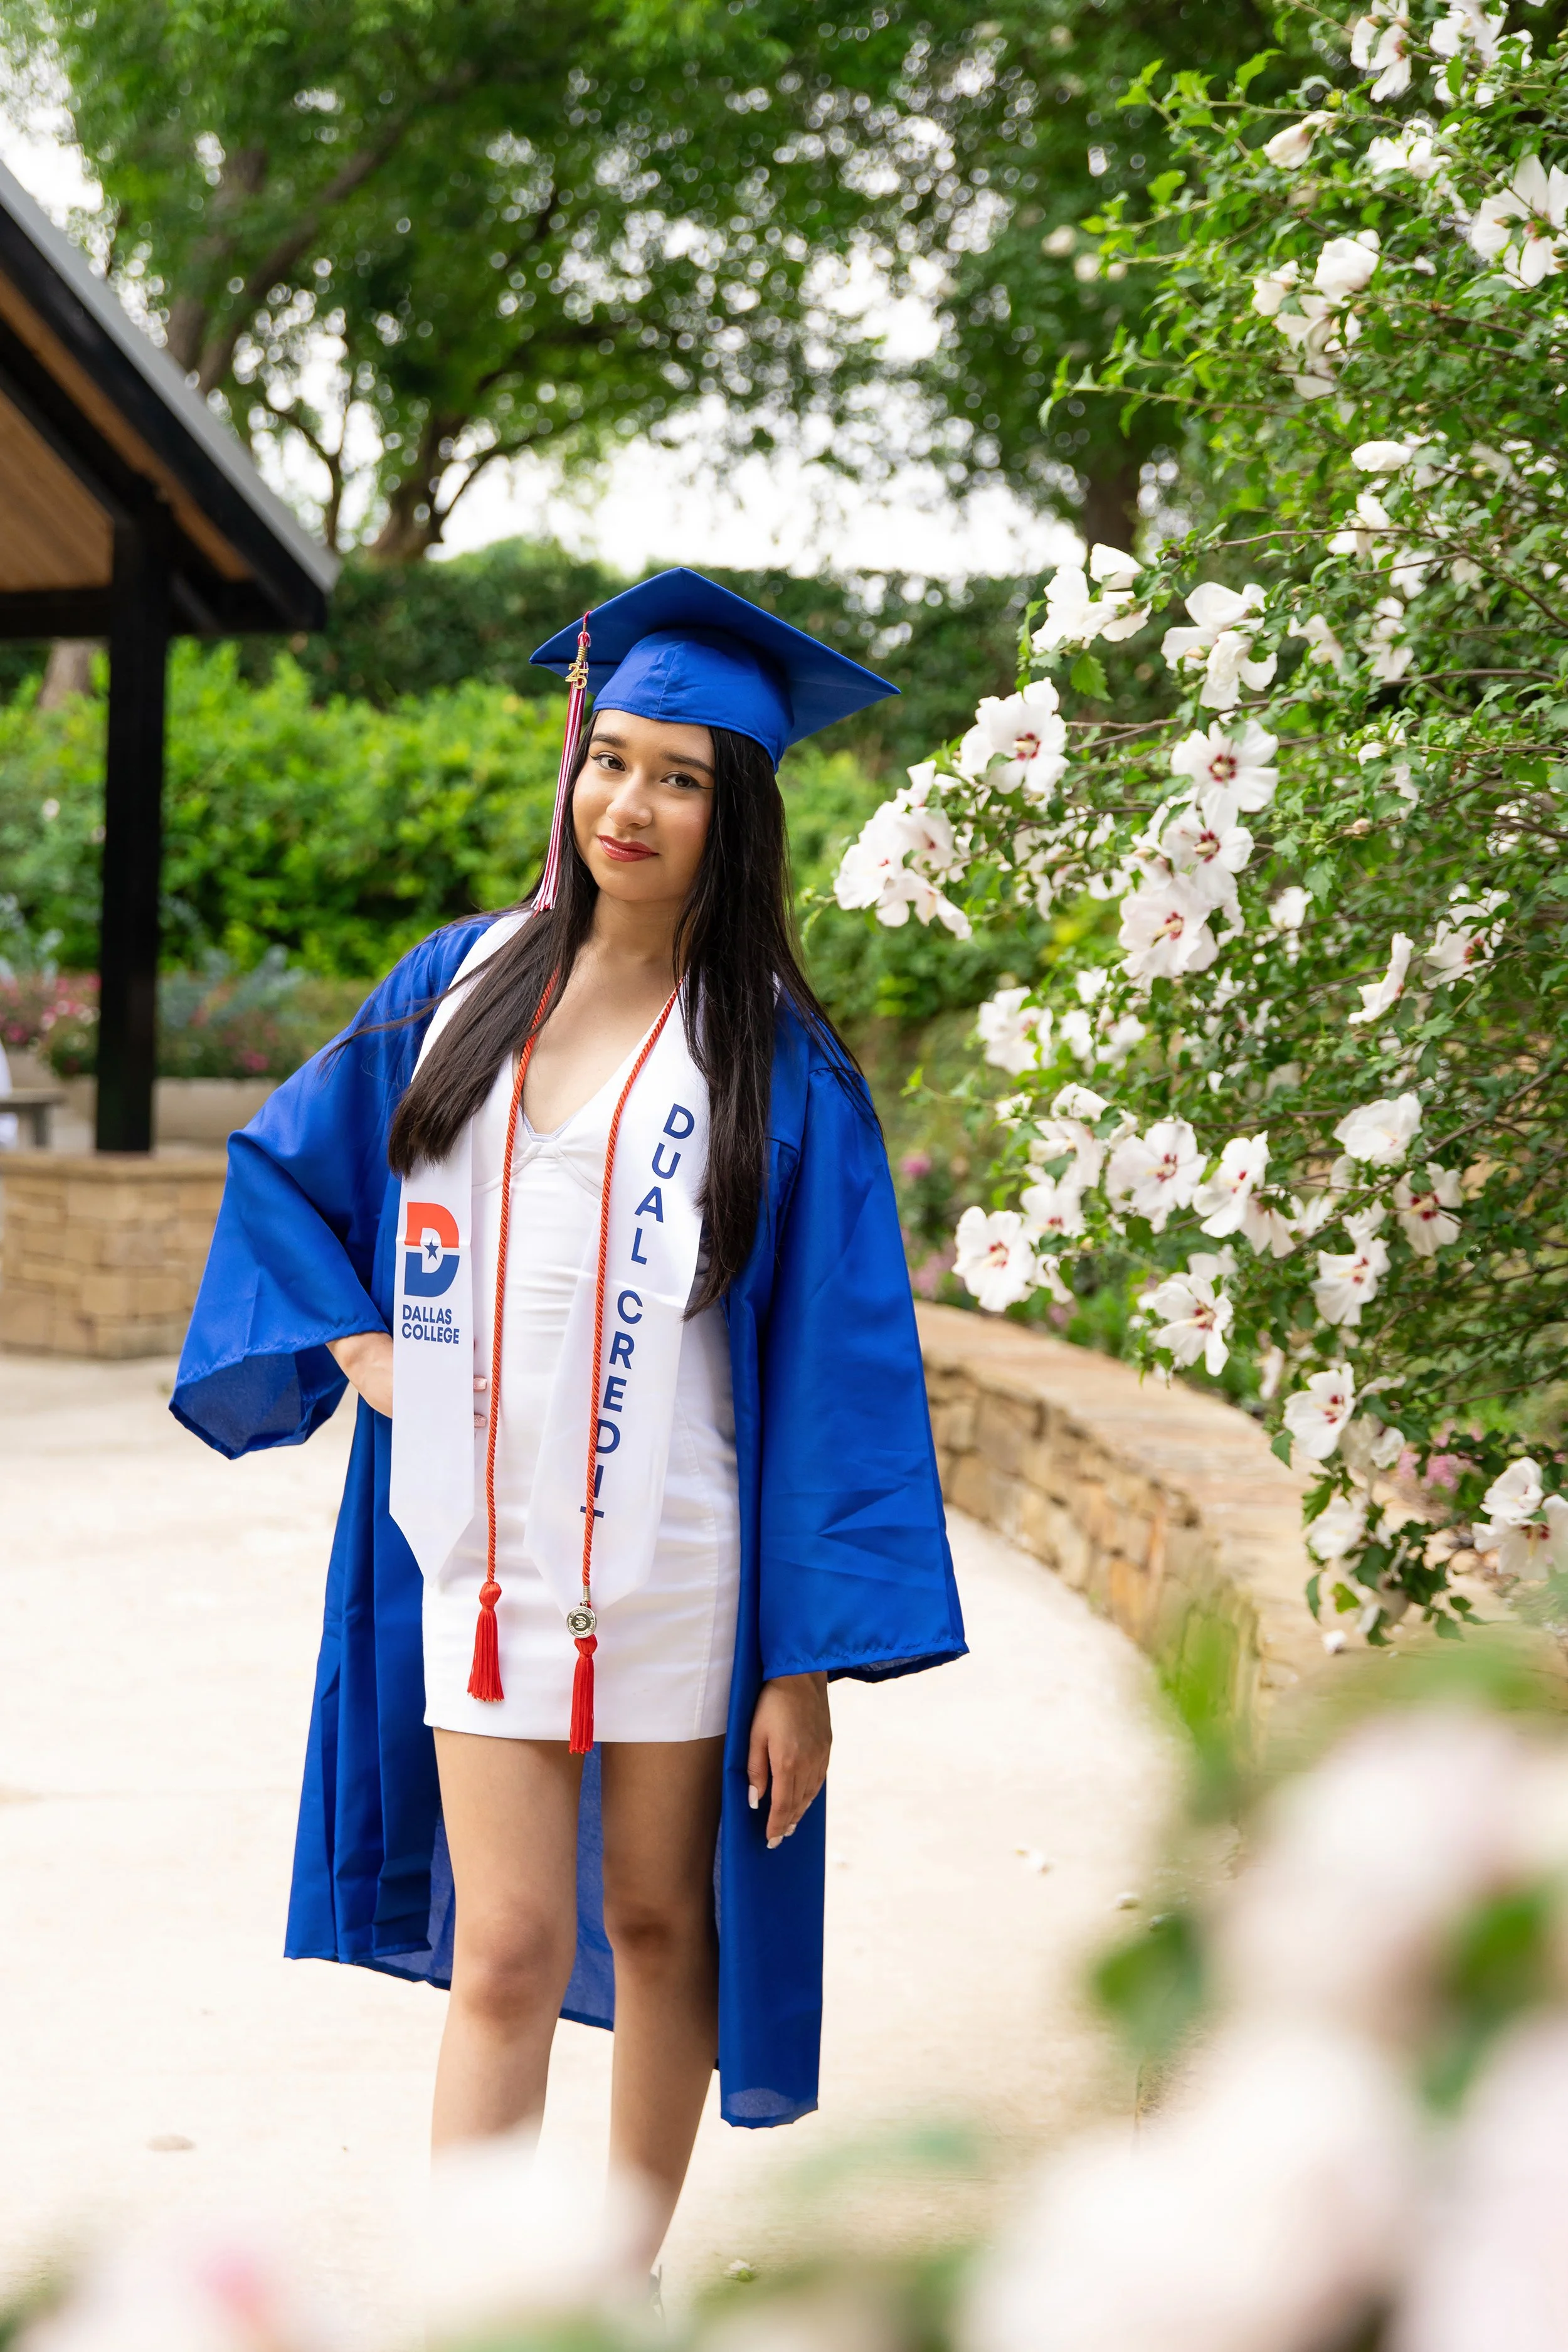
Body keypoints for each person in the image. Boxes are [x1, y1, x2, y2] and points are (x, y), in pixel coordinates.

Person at [171, 568, 965, 2264]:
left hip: (683, 1558)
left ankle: (613, 2285)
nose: (631, 803)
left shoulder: (776, 1062)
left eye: (680, 777)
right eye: (611, 759)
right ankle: (481, 2300)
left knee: (664, 1923)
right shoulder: (456, 986)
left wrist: (802, 1667)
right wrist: (371, 1359)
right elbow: (287, 1177)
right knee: (510, 1948)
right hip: (480, 1550)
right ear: (574, 767)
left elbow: (839, 1375)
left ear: (736, 815)